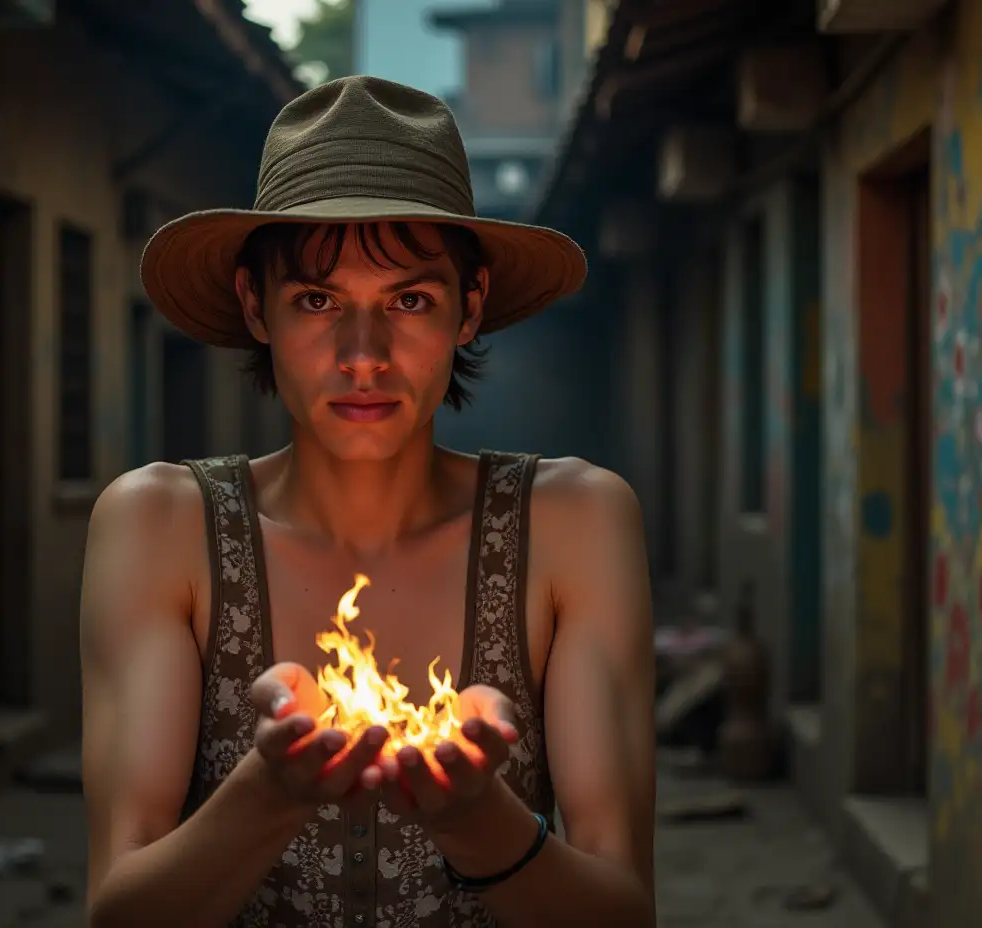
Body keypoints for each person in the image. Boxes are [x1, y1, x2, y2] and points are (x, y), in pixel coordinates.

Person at [81, 75, 656, 928]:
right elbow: (119, 911)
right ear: (255, 306)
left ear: (470, 309)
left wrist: (476, 818)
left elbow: (623, 911)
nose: (363, 356)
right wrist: (270, 792)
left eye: (409, 300)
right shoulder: (162, 526)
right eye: (317, 300)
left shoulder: (572, 523)